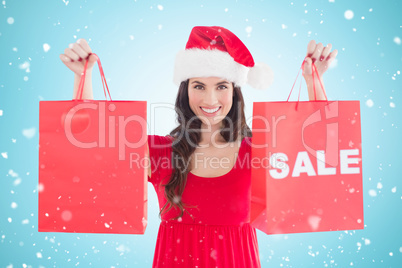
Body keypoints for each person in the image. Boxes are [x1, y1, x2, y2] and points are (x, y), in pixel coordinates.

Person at [60, 26, 337, 267]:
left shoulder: (258, 150)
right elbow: (93, 149)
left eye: (221, 86)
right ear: (186, 90)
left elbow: (319, 156)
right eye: (199, 86)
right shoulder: (160, 152)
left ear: (235, 91)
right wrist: (82, 77)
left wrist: (315, 82)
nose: (211, 97)